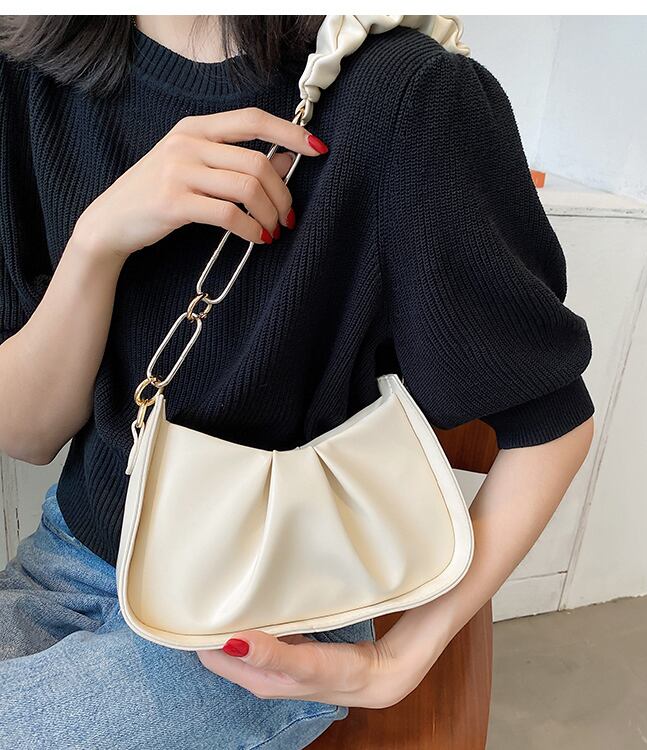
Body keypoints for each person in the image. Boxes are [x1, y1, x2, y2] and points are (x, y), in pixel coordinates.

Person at [0, 15, 595, 750]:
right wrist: (98, 240)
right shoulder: (34, 71)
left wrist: (397, 662)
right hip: (67, 560)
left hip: (272, 605)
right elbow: (27, 433)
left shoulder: (404, 93)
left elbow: (550, 424)